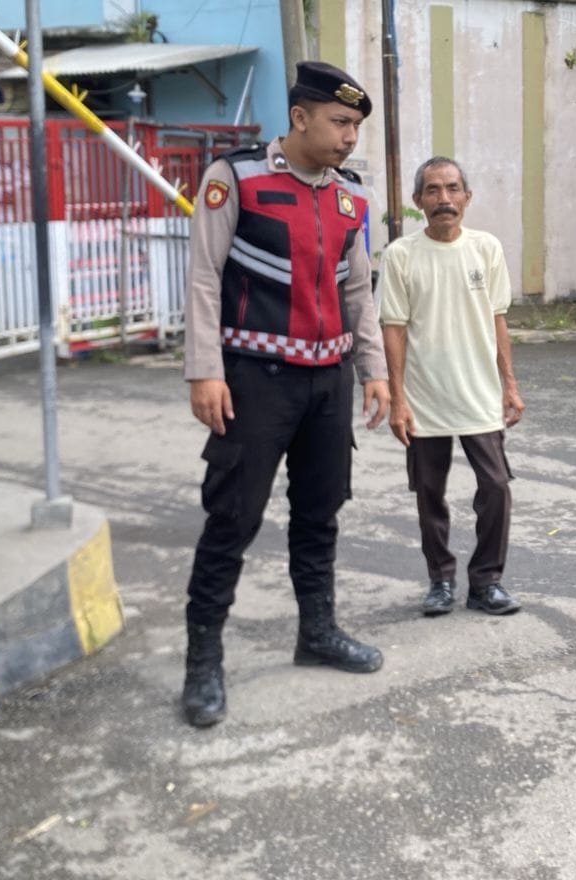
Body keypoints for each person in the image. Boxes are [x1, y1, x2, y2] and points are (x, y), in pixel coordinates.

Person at [178, 61, 393, 728]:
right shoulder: (236, 178)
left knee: (320, 513)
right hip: (252, 381)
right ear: (299, 117)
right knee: (232, 519)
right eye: (339, 122)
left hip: (327, 382)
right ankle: (202, 660)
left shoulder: (350, 198)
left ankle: (317, 632)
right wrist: (204, 370)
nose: (349, 136)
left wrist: (373, 370)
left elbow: (357, 291)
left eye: (355, 126)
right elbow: (204, 276)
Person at [379, 156, 525, 617]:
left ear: (467, 196)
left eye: (452, 188)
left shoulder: (486, 248)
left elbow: (498, 320)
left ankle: (487, 582)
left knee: (496, 487)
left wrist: (509, 385)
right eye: (433, 190)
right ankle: (440, 579)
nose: (444, 199)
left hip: (479, 394)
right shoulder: (401, 255)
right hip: (424, 399)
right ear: (418, 200)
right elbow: (393, 329)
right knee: (429, 492)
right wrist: (397, 399)